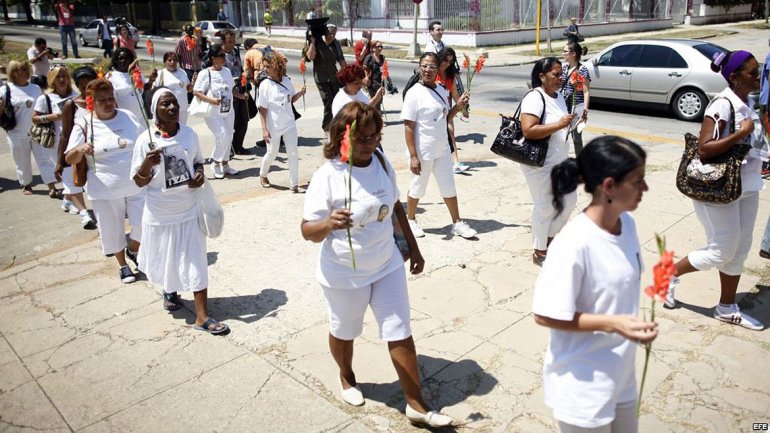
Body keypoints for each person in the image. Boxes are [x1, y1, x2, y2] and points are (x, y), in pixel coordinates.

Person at [301, 101, 452, 428]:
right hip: (343, 273)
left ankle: (416, 405)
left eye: (374, 136)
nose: (370, 143)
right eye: (362, 137)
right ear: (343, 136)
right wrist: (328, 223)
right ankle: (347, 376)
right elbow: (307, 231)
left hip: (386, 265)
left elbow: (396, 207)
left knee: (400, 331)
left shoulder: (381, 162)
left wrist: (413, 248)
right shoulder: (327, 176)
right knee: (344, 331)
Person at [533, 135, 657, 433]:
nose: (645, 188)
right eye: (638, 180)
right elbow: (544, 313)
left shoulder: (627, 224)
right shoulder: (574, 243)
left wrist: (630, 327)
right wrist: (614, 324)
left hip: (621, 373)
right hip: (583, 383)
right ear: (610, 186)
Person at [663, 51, 765, 331]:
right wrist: (739, 135)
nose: (758, 77)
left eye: (759, 71)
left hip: (747, 184)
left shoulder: (751, 102)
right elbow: (705, 149)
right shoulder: (721, 105)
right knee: (721, 251)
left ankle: (727, 308)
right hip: (717, 187)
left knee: (740, 250)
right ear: (734, 78)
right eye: (752, 73)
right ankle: (669, 273)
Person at [132, 88, 229, 335]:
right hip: (160, 213)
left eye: (174, 103)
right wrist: (147, 163)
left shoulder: (189, 133)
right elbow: (138, 181)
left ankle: (202, 316)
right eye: (166, 104)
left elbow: (197, 161)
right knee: (168, 259)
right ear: (155, 110)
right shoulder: (146, 140)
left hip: (188, 209)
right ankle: (170, 290)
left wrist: (198, 174)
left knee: (196, 259)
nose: (173, 108)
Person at [64, 78, 145, 284]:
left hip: (136, 183)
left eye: (111, 98)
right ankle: (123, 265)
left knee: (144, 223)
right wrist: (80, 150)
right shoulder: (84, 123)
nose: (108, 103)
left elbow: (144, 143)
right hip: (104, 188)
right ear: (91, 101)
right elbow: (69, 158)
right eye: (102, 100)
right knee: (111, 228)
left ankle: (133, 249)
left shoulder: (128, 117)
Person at [401, 52, 477, 240]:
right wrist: (413, 156)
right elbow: (408, 127)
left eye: (432, 67)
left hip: (442, 148)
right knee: (417, 186)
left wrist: (458, 106)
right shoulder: (413, 94)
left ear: (438, 69)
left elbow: (446, 118)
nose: (428, 70)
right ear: (419, 67)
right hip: (422, 149)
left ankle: (457, 223)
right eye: (424, 66)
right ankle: (410, 220)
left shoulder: (442, 90)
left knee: (448, 186)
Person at [521, 57, 576, 266]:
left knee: (568, 201)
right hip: (539, 163)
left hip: (559, 161)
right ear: (542, 76)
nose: (561, 78)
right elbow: (529, 130)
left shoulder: (559, 96)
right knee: (544, 206)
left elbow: (559, 123)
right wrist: (560, 124)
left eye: (562, 73)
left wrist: (573, 120)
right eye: (556, 74)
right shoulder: (534, 98)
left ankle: (549, 241)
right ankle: (539, 251)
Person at [2, 60, 55, 196]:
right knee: (22, 161)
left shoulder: (35, 88)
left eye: (27, 69)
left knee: (44, 159)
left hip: (37, 131)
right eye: (23, 69)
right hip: (17, 133)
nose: (27, 72)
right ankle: (26, 183)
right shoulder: (5, 89)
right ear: (14, 73)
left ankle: (51, 186)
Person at [56, 66, 98, 229]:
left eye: (89, 84)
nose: (86, 89)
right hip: (77, 153)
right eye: (82, 85)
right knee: (74, 183)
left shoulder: (104, 100)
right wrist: (60, 161)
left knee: (93, 188)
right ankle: (84, 213)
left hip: (97, 153)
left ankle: (68, 200)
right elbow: (65, 134)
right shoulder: (71, 105)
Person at [258, 51, 306, 192]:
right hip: (273, 125)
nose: (265, 69)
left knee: (293, 153)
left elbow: (291, 99)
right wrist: (264, 129)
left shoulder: (286, 80)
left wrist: (300, 94)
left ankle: (294, 184)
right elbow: (262, 109)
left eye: (268, 66)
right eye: (264, 66)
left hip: (289, 123)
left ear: (277, 66)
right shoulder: (265, 85)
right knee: (272, 152)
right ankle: (263, 174)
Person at [32, 66, 77, 203]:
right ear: (52, 79)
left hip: (75, 139)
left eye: (64, 76)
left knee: (75, 174)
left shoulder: (74, 95)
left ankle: (68, 201)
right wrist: (53, 117)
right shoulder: (45, 98)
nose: (62, 79)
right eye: (58, 77)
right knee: (67, 173)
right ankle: (74, 204)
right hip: (56, 142)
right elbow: (35, 118)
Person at [192, 44, 237, 179]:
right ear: (213, 58)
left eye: (224, 55)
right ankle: (216, 163)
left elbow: (231, 89)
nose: (224, 58)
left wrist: (241, 96)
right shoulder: (205, 73)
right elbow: (196, 92)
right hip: (213, 111)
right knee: (222, 135)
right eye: (221, 55)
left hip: (228, 110)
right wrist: (211, 100)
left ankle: (225, 164)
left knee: (229, 136)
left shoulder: (227, 71)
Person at [306, 23, 347, 136]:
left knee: (338, 101)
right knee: (328, 101)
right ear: (325, 32)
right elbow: (310, 57)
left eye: (334, 33)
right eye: (330, 33)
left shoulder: (336, 44)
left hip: (333, 77)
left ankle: (336, 125)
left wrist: (348, 74)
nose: (332, 36)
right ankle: (327, 127)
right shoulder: (317, 42)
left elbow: (341, 60)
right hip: (321, 78)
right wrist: (313, 42)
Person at [436, 47, 470, 174]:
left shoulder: (450, 75)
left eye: (450, 61)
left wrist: (463, 109)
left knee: (450, 133)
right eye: (445, 60)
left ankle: (455, 163)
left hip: (446, 111)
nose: (447, 63)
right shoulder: (432, 72)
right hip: (433, 112)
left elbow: (455, 93)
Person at [107, 48, 157, 120]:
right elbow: (112, 101)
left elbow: (145, 88)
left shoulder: (136, 73)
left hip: (140, 116)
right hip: (124, 118)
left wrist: (151, 80)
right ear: (116, 60)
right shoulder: (111, 76)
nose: (124, 61)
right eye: (121, 58)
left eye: (127, 58)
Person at [561, 41, 591, 155]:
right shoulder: (564, 68)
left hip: (577, 107)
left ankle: (580, 162)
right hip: (563, 107)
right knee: (561, 137)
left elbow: (586, 91)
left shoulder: (583, 70)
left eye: (565, 51)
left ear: (573, 54)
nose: (563, 53)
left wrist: (585, 109)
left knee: (576, 138)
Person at [222, 30, 249, 156]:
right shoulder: (220, 56)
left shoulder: (235, 52)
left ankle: (238, 146)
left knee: (243, 120)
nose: (232, 44)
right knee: (230, 122)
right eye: (229, 42)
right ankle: (228, 148)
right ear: (224, 41)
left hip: (239, 87)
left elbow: (240, 68)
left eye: (233, 41)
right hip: (227, 91)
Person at [152, 52, 192, 124]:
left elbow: (189, 89)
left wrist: (193, 82)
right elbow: (154, 91)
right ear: (164, 62)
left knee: (182, 129)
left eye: (174, 60)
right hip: (169, 109)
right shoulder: (161, 73)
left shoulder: (182, 72)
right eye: (169, 60)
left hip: (182, 108)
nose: (172, 62)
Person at [175, 25, 203, 104]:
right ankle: (189, 102)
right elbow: (178, 54)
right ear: (186, 31)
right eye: (189, 31)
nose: (190, 32)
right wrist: (181, 67)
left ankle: (197, 102)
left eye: (192, 30)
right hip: (187, 67)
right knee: (190, 86)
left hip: (197, 66)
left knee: (198, 85)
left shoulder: (196, 39)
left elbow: (199, 52)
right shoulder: (181, 40)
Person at [361, 40, 391, 110]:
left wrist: (389, 80)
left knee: (379, 102)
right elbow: (364, 68)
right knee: (375, 102)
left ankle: (376, 117)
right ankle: (377, 118)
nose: (380, 48)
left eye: (381, 47)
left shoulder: (382, 57)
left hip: (381, 84)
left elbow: (385, 70)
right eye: (378, 47)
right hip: (372, 84)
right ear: (373, 48)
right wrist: (366, 77)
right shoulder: (369, 57)